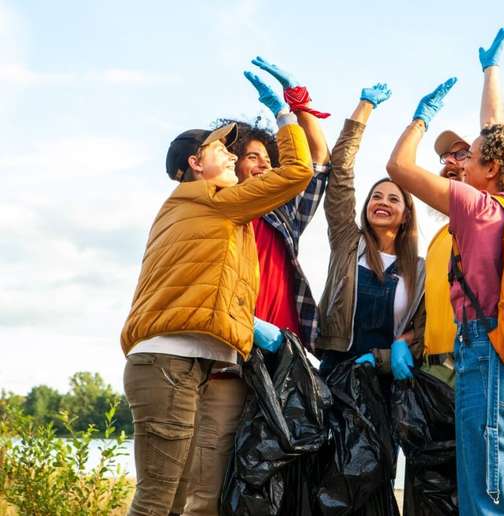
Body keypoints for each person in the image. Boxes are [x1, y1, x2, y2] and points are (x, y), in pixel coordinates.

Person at [120, 80, 313, 515]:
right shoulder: (213, 200)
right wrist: (285, 115)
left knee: (171, 499)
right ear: (195, 163)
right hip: (170, 364)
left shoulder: (188, 205)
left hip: (176, 364)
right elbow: (299, 172)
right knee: (157, 502)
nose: (230, 155)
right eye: (220, 150)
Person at [386, 25, 504, 515]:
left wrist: (422, 118)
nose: (463, 163)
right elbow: (497, 130)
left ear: (491, 171)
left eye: (471, 158)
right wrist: (491, 71)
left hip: (490, 357)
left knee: (487, 502)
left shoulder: (476, 208)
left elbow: (397, 166)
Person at [169, 58, 331, 516]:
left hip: (277, 363)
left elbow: (318, 165)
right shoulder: (213, 213)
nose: (259, 165)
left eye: (267, 157)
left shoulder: (283, 215)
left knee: (269, 483)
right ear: (231, 164)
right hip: (224, 360)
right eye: (250, 157)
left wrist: (297, 108)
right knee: (208, 480)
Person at [317, 82, 426, 393]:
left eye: (394, 199)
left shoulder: (419, 271)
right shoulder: (348, 244)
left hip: (389, 383)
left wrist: (392, 353)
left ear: (406, 215)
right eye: (376, 196)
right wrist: (364, 107)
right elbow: (340, 174)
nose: (382, 202)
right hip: (335, 378)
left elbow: (423, 331)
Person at [422, 25, 504, 388]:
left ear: (484, 166)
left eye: (461, 154)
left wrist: (491, 72)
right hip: (430, 371)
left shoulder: (488, 213)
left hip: (476, 360)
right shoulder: (438, 239)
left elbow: (496, 134)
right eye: (444, 157)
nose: (450, 163)